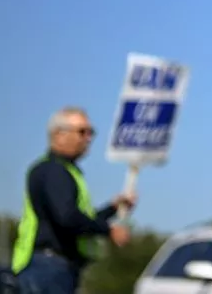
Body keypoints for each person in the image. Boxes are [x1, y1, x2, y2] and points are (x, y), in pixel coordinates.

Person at [12, 106, 135, 294]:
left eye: (90, 132)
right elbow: (68, 218)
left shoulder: (64, 172)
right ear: (58, 134)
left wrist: (113, 208)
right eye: (82, 132)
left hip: (52, 267)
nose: (88, 138)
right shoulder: (54, 171)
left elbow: (81, 219)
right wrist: (109, 230)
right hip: (49, 266)